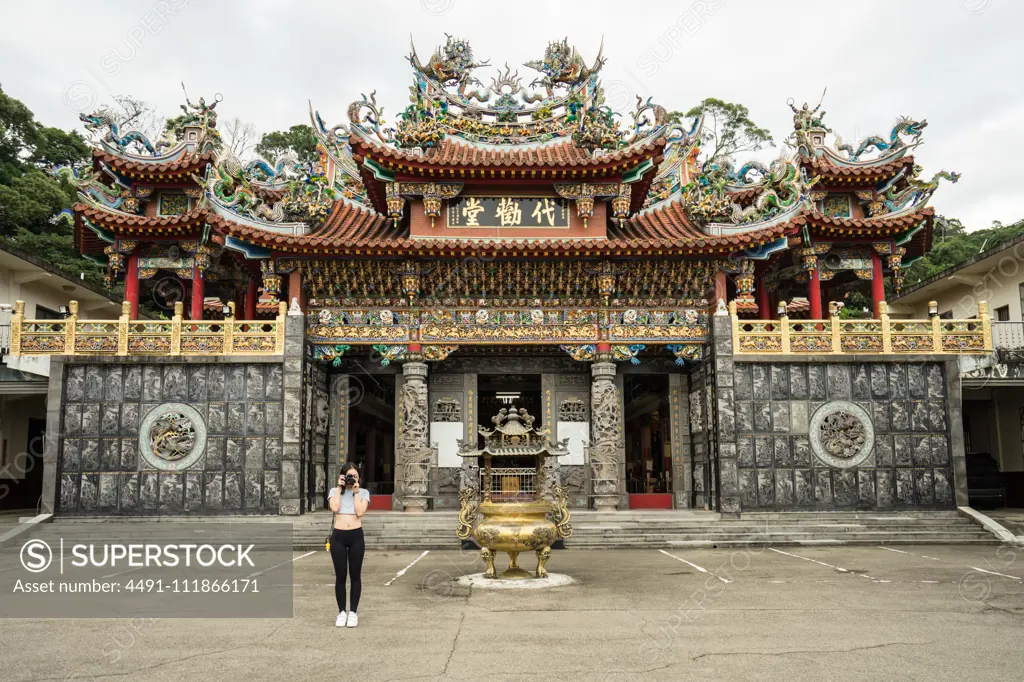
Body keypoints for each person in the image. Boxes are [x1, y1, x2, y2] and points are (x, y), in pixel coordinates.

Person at [328, 462, 370, 627]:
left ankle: (353, 612)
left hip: (356, 536)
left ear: (359, 479)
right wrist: (340, 488)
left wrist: (356, 492)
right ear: (342, 476)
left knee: (355, 575)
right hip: (338, 536)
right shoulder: (334, 491)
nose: (352, 479)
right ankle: (341, 612)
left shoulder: (363, 493)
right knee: (340, 576)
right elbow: (335, 507)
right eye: (349, 476)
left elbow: (360, 512)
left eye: (355, 476)